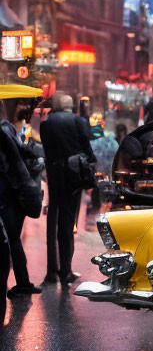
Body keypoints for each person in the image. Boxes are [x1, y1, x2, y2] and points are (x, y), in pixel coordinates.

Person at [39, 94, 96, 286]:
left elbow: (46, 150)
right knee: (67, 221)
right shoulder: (77, 120)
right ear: (71, 106)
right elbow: (88, 141)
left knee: (53, 221)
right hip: (73, 176)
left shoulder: (46, 124)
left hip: (55, 176)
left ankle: (52, 270)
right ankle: (66, 270)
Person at [0, 96, 44, 296]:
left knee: (11, 239)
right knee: (12, 240)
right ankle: (22, 282)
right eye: (21, 104)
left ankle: (22, 282)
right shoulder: (7, 130)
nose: (25, 108)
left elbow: (14, 161)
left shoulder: (7, 130)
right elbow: (16, 161)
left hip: (8, 195)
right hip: (11, 195)